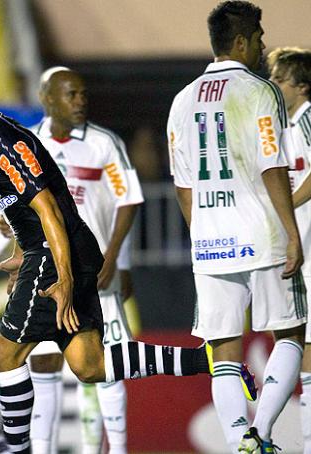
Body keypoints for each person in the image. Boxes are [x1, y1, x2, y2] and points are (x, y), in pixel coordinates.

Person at [0, 57, 248, 454]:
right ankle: (208, 361)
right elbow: (26, 209)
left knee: (3, 357)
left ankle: (15, 449)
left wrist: (62, 278)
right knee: (90, 365)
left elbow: (48, 209)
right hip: (67, 250)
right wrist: (20, 253)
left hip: (56, 253)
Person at [0, 66, 143, 454]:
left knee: (103, 363)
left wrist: (119, 259)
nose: (81, 100)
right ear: (48, 98)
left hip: (95, 264)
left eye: (83, 93)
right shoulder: (26, 143)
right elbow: (12, 213)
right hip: (49, 268)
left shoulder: (104, 143)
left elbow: (128, 199)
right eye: (72, 94)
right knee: (45, 364)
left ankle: (117, 449)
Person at [167, 2, 307, 452]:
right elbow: (272, 165)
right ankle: (261, 433)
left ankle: (237, 444)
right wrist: (291, 232)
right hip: (261, 235)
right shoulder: (259, 91)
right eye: (260, 37)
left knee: (224, 351)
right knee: (291, 334)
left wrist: (200, 234)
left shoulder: (182, 99)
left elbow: (183, 186)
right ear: (242, 42)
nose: (265, 46)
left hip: (209, 241)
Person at [267, 46, 311, 454]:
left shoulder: (309, 116)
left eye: (279, 80)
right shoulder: (288, 124)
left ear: (301, 86)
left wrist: (288, 205)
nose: (274, 86)